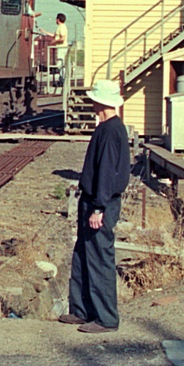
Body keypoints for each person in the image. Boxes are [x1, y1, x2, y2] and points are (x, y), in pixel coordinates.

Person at [60, 78, 130, 333]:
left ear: (100, 102)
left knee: (100, 258)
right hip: (93, 200)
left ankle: (106, 318)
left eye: (93, 98)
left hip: (101, 203)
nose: (90, 102)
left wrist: (99, 208)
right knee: (83, 255)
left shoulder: (111, 131)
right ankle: (82, 310)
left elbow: (107, 173)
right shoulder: (106, 128)